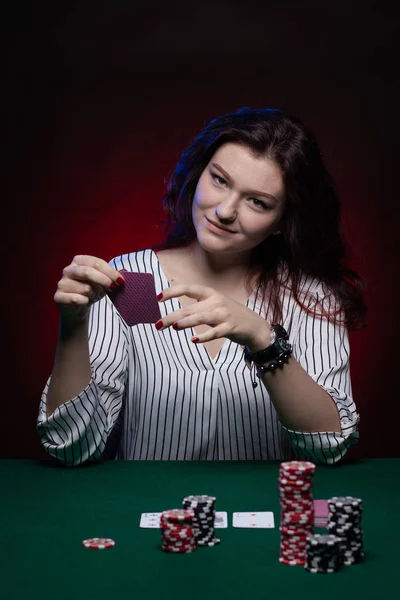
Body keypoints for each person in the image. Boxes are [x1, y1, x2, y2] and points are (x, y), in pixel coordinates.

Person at [37, 107, 366, 467]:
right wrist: (72, 325)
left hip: (264, 515)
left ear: (281, 222)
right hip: (147, 514)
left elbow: (329, 447)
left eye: (257, 202)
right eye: (220, 180)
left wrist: (264, 340)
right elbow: (69, 446)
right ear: (198, 174)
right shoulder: (134, 282)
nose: (225, 210)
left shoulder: (308, 296)